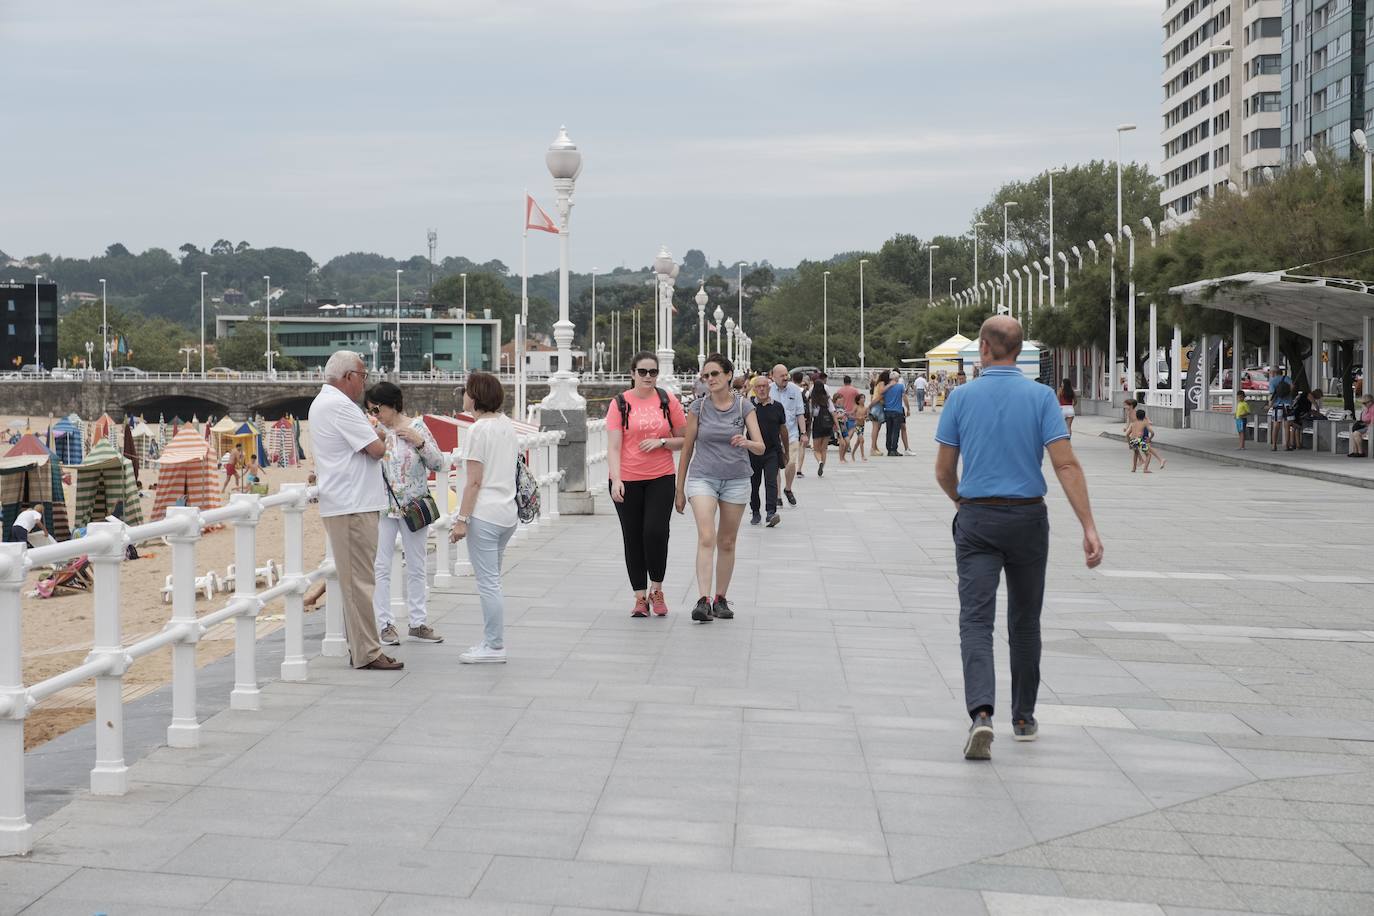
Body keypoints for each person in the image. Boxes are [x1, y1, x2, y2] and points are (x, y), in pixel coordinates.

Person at [934, 316, 1103, 761]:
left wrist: (960, 502)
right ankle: (1024, 717)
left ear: (985, 350)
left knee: (975, 619)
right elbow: (1065, 465)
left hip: (978, 517)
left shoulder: (961, 398)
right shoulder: (1042, 397)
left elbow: (943, 470)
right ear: (1018, 348)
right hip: (1028, 517)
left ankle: (982, 714)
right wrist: (1088, 526)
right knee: (1025, 620)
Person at [309, 351, 400, 670]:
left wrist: (374, 436)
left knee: (356, 580)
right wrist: (378, 436)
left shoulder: (323, 403)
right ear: (348, 376)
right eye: (363, 375)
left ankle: (363, 647)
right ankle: (368, 652)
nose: (366, 382)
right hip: (352, 504)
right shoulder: (340, 406)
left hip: (345, 501)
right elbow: (377, 449)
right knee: (361, 581)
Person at [677, 353, 766, 623]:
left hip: (737, 479)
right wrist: (679, 488)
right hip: (703, 477)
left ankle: (720, 598)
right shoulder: (698, 408)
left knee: (726, 541)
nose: (710, 379)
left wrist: (747, 442)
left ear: (728, 375)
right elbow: (686, 447)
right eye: (706, 375)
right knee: (707, 536)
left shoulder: (744, 407)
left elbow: (761, 446)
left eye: (715, 374)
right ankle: (703, 600)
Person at [607, 351, 687, 617]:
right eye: (642, 372)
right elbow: (614, 445)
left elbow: (685, 439)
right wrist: (616, 478)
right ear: (632, 374)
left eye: (653, 372)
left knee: (655, 532)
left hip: (661, 477)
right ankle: (640, 597)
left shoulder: (667, 400)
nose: (648, 377)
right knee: (633, 537)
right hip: (627, 478)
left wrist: (662, 442)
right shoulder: (620, 403)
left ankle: (657, 589)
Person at [366, 381, 445, 646]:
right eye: (371, 410)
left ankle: (418, 622)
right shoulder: (374, 432)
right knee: (381, 566)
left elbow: (438, 463)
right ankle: (385, 624)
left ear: (393, 404)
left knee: (417, 564)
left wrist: (419, 442)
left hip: (414, 507)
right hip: (384, 507)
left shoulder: (417, 427)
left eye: (377, 409)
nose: (375, 414)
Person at [449, 371, 519, 663]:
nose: (463, 395)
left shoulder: (477, 431)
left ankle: (494, 645)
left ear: (475, 396)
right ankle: (491, 640)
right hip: (507, 513)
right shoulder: (506, 425)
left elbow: (474, 481)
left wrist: (462, 519)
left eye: (465, 391)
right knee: (494, 581)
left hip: (486, 514)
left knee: (488, 583)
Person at [748, 375, 787, 527]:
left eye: (765, 386)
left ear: (769, 388)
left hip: (772, 451)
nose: (762, 389)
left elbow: (783, 430)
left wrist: (786, 451)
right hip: (752, 452)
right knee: (754, 483)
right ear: (754, 389)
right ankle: (755, 511)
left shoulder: (777, 406)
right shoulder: (749, 406)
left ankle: (771, 512)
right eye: (759, 386)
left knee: (771, 482)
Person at [769, 365, 805, 507]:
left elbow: (799, 413)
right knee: (775, 466)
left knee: (791, 463)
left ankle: (788, 488)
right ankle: (777, 495)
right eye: (782, 375)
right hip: (773, 436)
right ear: (774, 376)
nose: (785, 378)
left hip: (792, 434)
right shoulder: (768, 389)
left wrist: (803, 433)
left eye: (786, 375)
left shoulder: (795, 390)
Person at [808, 375, 837, 476]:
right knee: (824, 449)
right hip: (827, 425)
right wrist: (837, 426)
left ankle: (819, 462)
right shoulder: (827, 400)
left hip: (817, 425)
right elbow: (833, 413)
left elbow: (811, 415)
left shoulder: (812, 401)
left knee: (816, 450)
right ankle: (822, 467)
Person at [882, 369, 909, 457]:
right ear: (897, 378)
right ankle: (894, 449)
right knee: (895, 431)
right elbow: (904, 398)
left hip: (888, 411)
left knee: (889, 430)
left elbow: (881, 393)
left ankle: (889, 449)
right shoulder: (900, 386)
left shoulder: (886, 387)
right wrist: (908, 408)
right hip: (897, 411)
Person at [1125, 408, 1159, 473]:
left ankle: (1134, 468)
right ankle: (1145, 469)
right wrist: (1149, 439)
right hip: (1139, 440)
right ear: (1144, 416)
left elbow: (1127, 434)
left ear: (1136, 416)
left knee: (1136, 453)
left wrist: (1129, 444)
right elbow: (1152, 433)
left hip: (1133, 440)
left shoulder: (1132, 423)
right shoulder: (1144, 423)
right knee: (1148, 455)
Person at [1269, 372, 1293, 451]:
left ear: (1274, 372)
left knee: (1276, 425)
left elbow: (1272, 394)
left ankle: (1274, 445)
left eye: (1271, 371)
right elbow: (1292, 387)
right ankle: (1287, 445)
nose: (1270, 373)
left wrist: (1269, 405)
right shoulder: (1287, 378)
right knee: (1287, 425)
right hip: (1287, 405)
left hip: (1277, 405)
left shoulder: (1273, 381)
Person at [868, 371, 890, 456]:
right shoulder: (882, 383)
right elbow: (880, 395)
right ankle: (873, 448)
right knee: (876, 429)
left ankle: (875, 447)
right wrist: (870, 406)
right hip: (877, 407)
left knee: (877, 428)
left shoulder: (878, 383)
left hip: (877, 406)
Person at [849, 392, 869, 461]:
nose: (863, 399)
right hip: (856, 426)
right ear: (858, 400)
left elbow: (867, 417)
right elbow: (851, 415)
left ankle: (853, 453)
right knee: (862, 440)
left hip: (862, 426)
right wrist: (857, 418)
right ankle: (862, 456)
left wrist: (866, 418)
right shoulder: (856, 407)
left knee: (858, 442)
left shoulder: (866, 408)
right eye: (861, 398)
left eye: (864, 398)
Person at [832, 391, 851, 462]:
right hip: (837, 427)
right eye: (839, 398)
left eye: (841, 398)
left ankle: (843, 456)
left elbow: (844, 415)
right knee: (842, 443)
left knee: (848, 442)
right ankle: (841, 458)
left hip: (844, 426)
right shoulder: (833, 407)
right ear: (835, 399)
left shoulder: (842, 407)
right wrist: (841, 416)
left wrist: (847, 415)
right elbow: (834, 417)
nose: (841, 400)